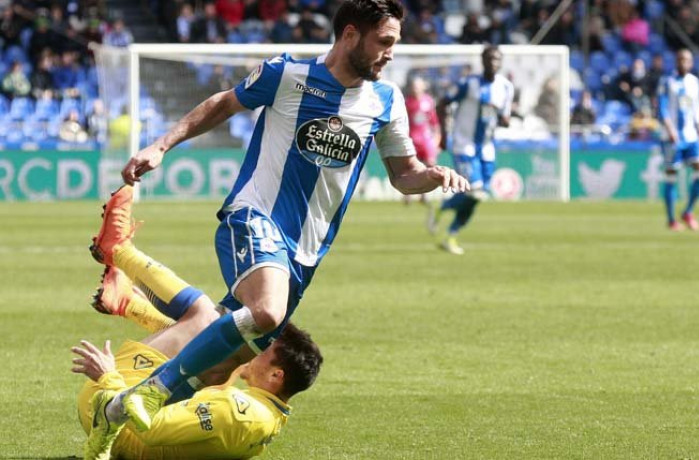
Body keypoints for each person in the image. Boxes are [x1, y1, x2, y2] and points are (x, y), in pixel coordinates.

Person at [86, 1, 468, 456]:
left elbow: (403, 174)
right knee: (266, 311)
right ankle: (153, 386)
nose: (390, 54)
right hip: (255, 216)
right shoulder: (287, 75)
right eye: (384, 42)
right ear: (350, 35)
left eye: (395, 45)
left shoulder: (385, 101)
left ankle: (112, 418)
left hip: (304, 255)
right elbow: (223, 103)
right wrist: (162, 144)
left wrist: (433, 175)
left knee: (217, 362)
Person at [77, 262, 322, 459]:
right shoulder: (268, 415)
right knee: (210, 353)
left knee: (203, 314)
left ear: (276, 375)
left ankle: (120, 251)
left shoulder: (237, 412)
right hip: (126, 432)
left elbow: (152, 429)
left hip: (113, 422)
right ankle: (130, 303)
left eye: (265, 349)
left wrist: (108, 377)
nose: (256, 350)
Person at [430, 45, 514, 255]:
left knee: (479, 195)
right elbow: (442, 104)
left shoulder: (505, 87)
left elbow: (504, 119)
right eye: (489, 59)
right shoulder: (468, 83)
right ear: (483, 60)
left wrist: (503, 118)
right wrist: (444, 134)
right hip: (463, 144)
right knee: (474, 190)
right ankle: (443, 209)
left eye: (497, 59)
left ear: (501, 62)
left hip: (486, 148)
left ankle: (451, 234)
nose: (493, 63)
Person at [657, 49, 699, 231]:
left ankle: (688, 211)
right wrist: (670, 129)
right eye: (681, 59)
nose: (684, 63)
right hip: (672, 136)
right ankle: (671, 220)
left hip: (691, 134)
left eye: (687, 60)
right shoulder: (667, 82)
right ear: (676, 61)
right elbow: (661, 108)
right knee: (671, 176)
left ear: (691, 63)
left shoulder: (694, 82)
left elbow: (696, 108)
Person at [403, 75, 441, 208]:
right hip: (412, 138)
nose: (416, 89)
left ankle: (424, 195)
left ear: (423, 87)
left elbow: (434, 122)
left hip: (425, 139)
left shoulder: (428, 101)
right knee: (410, 167)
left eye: (418, 86)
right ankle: (407, 195)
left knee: (430, 165)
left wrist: (436, 139)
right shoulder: (407, 103)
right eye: (414, 86)